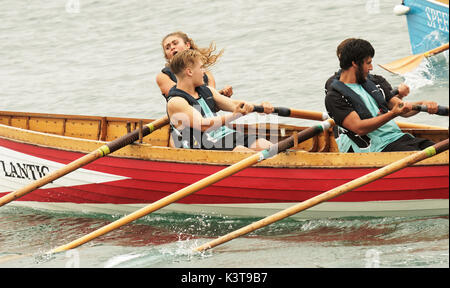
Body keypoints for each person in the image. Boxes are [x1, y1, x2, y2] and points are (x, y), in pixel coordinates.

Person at [324, 38, 438, 153]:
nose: (371, 67)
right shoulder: (335, 97)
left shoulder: (375, 82)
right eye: (368, 63)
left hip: (398, 138)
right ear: (354, 63)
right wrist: (393, 114)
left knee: (439, 150)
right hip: (375, 149)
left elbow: (401, 108)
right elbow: (359, 128)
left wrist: (422, 104)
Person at [166, 48, 273, 151]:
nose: (204, 72)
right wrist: (235, 115)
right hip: (202, 145)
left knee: (265, 145)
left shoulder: (206, 90)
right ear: (189, 72)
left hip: (225, 135)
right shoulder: (176, 101)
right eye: (201, 68)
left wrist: (260, 107)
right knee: (241, 152)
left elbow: (234, 105)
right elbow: (203, 125)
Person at [156, 31, 233, 100]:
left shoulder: (205, 72)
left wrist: (222, 95)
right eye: (167, 47)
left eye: (175, 43)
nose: (172, 48)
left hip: (208, 115)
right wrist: (216, 94)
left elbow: (210, 102)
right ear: (166, 56)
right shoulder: (163, 76)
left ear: (187, 45)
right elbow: (183, 96)